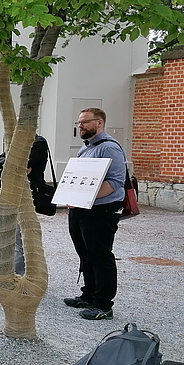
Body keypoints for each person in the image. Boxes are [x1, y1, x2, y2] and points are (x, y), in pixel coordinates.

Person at [63, 108, 126, 321]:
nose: (79, 126)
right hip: (81, 209)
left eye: (84, 122)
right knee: (85, 253)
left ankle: (103, 305)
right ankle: (89, 294)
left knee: (100, 255)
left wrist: (85, 198)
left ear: (99, 123)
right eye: (79, 122)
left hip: (100, 211)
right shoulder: (86, 148)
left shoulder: (109, 148)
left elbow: (115, 182)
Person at [0, 135, 50, 274]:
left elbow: (20, 161)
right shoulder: (14, 141)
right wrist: (9, 166)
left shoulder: (38, 142)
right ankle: (15, 273)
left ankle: (19, 276)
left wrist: (10, 166)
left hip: (27, 196)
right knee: (10, 236)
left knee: (21, 238)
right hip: (9, 195)